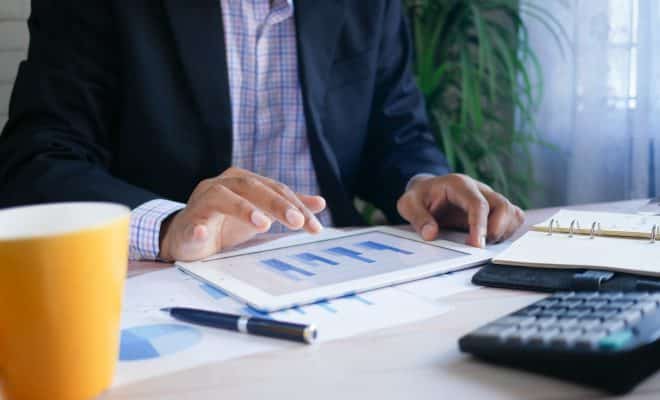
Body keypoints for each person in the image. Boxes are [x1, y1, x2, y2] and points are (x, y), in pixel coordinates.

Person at [0, 0, 524, 262]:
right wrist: (170, 228)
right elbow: (38, 161)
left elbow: (397, 134)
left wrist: (422, 182)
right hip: (167, 284)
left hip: (336, 274)